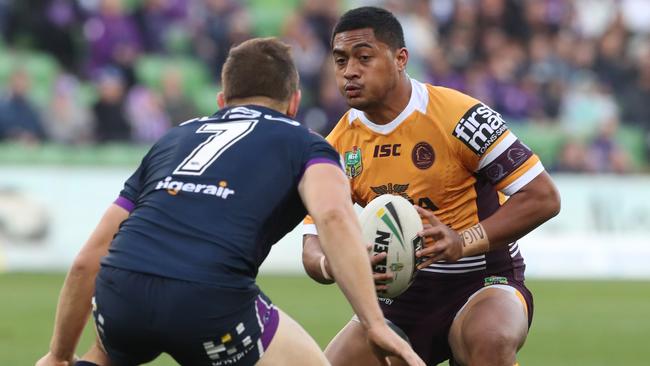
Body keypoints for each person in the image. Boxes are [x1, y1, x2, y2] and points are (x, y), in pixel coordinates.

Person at [36, 37, 424, 366]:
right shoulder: (306, 143)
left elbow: (90, 258)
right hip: (209, 302)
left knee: (105, 352)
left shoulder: (173, 140)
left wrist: (57, 355)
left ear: (222, 100)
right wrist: (373, 323)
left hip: (121, 292)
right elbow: (335, 218)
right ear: (294, 102)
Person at [302, 7, 561, 366]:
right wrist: (334, 263)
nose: (350, 71)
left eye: (364, 58)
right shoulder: (337, 147)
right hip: (400, 297)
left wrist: (462, 241)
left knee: (491, 339)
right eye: (340, 60)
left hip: (482, 279)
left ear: (400, 58)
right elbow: (312, 243)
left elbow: (543, 197)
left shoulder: (461, 117)